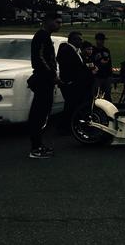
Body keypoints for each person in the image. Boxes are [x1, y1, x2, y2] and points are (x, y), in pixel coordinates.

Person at [27, 12, 62, 159]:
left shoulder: (45, 36)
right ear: (48, 21)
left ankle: (38, 145)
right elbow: (40, 59)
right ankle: (35, 148)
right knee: (39, 114)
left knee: (43, 114)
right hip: (43, 80)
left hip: (45, 79)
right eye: (57, 22)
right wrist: (52, 75)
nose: (59, 25)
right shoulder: (41, 36)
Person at [56, 31, 91, 135]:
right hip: (71, 83)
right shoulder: (67, 50)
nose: (81, 41)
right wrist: (70, 81)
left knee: (72, 105)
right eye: (79, 39)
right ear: (73, 40)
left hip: (76, 83)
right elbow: (69, 67)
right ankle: (64, 127)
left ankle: (67, 126)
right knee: (70, 106)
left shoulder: (76, 51)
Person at [92, 32, 112, 102]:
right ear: (97, 40)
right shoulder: (93, 50)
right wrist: (99, 63)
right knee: (95, 94)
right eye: (101, 40)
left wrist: (110, 75)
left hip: (106, 76)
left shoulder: (106, 50)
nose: (103, 41)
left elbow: (110, 63)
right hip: (97, 77)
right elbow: (91, 63)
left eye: (103, 40)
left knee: (107, 94)